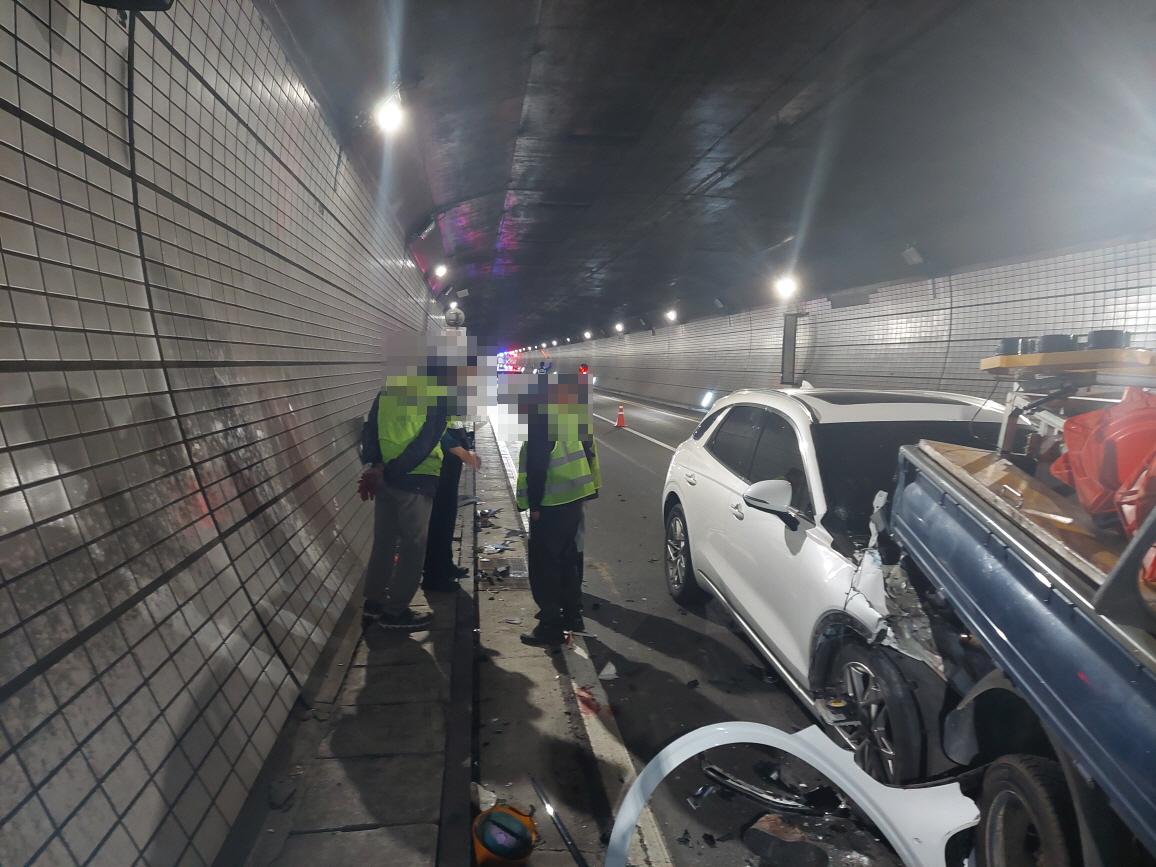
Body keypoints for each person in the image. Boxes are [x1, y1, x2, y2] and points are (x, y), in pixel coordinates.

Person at [358, 349, 476, 631]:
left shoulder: (391, 387)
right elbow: (426, 440)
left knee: (384, 544)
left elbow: (370, 428)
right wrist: (397, 469)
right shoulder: (438, 395)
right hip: (414, 479)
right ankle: (396, 611)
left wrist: (377, 465)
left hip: (384, 476)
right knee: (413, 547)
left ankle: (373, 605)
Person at [516, 375, 600, 647]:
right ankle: (573, 616)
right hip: (574, 501)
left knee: (544, 567)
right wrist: (590, 491)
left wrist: (535, 505)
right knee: (569, 561)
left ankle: (550, 626)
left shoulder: (541, 420)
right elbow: (590, 454)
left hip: (551, 504)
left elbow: (538, 467)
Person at [422, 419, 480, 592]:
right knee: (439, 520)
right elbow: (436, 427)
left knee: (447, 518)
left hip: (449, 462)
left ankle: (445, 565)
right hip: (440, 463)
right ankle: (434, 576)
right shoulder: (431, 393)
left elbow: (452, 423)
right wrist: (462, 452)